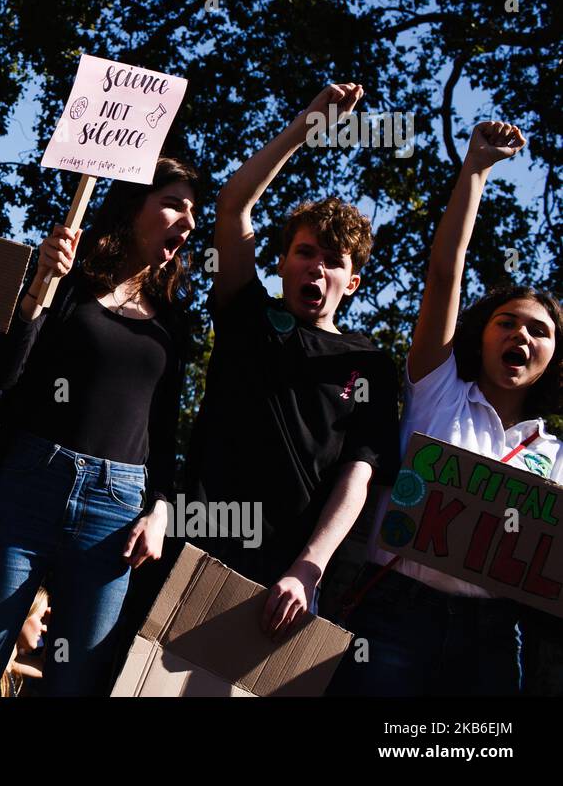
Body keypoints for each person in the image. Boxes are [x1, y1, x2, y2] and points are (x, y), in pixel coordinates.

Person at [0, 158, 198, 696]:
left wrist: (159, 509)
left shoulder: (175, 322)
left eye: (194, 211)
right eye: (175, 203)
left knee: (75, 685)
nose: (190, 221)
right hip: (30, 485)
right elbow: (1, 376)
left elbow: (165, 429)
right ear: (135, 206)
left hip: (116, 511)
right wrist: (40, 286)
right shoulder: (67, 285)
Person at [329, 120, 559, 696]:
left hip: (494, 639)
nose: (522, 338)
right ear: (480, 335)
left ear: (554, 359)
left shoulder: (556, 456)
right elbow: (443, 275)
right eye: (508, 324)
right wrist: (476, 170)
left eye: (540, 332)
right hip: (393, 617)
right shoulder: (438, 391)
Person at [185, 83, 400, 639]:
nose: (316, 268)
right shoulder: (248, 317)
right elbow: (233, 205)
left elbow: (360, 472)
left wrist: (310, 567)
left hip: (287, 578)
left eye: (333, 261)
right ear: (279, 263)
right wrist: (307, 123)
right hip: (195, 540)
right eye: (304, 252)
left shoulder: (371, 364)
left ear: (352, 283)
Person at [0, 586, 49, 697]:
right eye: (41, 619)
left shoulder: (11, 664)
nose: (45, 628)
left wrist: (60, 630)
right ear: (24, 614)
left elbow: (56, 666)